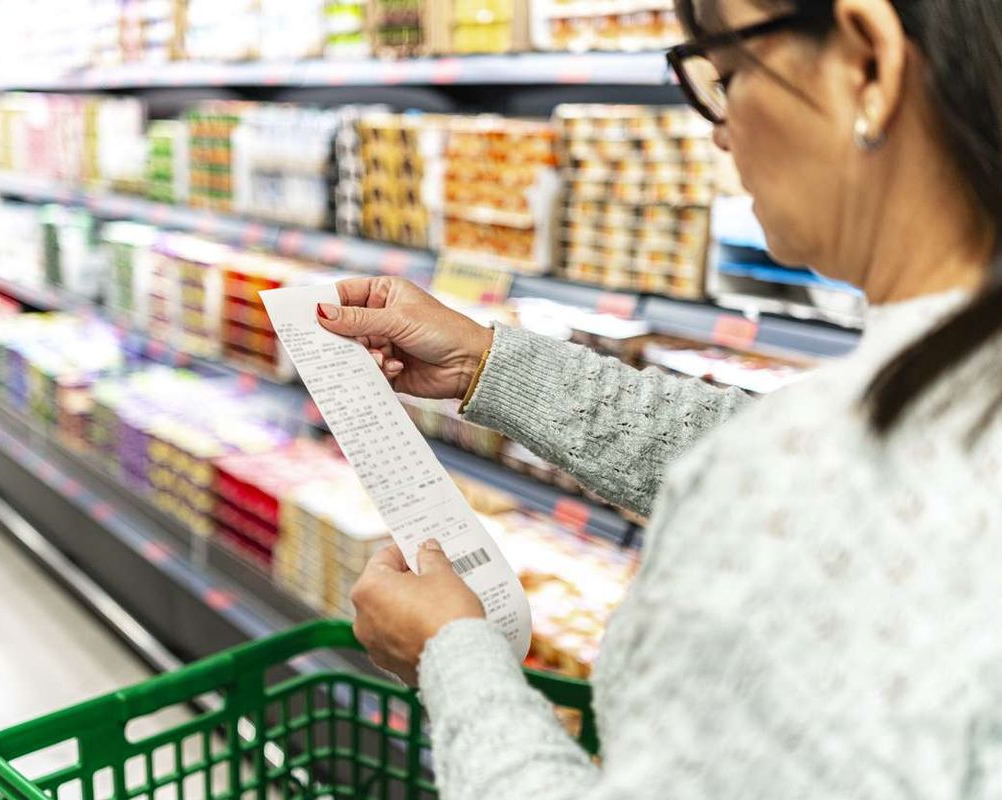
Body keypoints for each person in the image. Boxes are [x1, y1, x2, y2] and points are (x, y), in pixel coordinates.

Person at [316, 0, 1002, 796]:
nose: (718, 126)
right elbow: (750, 444)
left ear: (870, 63)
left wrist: (453, 656)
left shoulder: (835, 463)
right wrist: (485, 363)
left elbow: (787, 469)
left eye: (730, 72)